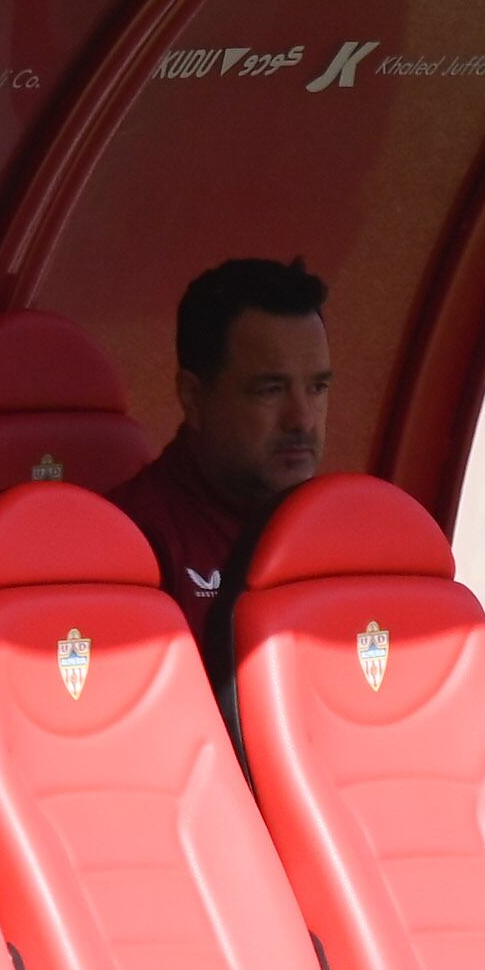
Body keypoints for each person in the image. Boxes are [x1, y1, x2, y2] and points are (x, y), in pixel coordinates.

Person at [107, 257, 331, 674]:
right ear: (193, 397)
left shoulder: (351, 535)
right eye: (271, 389)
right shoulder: (130, 550)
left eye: (317, 387)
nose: (303, 419)